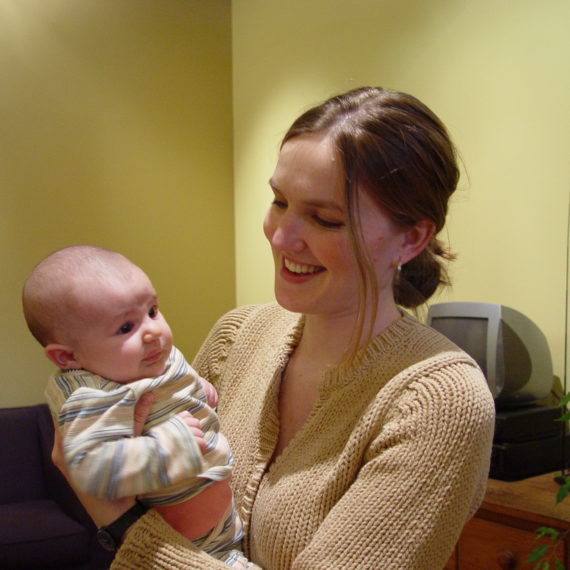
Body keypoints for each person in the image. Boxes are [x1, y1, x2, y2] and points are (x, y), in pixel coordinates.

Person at [53, 87, 496, 569]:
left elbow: (134, 511)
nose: (281, 236)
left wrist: (118, 522)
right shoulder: (238, 333)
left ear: (411, 238)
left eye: (325, 219)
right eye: (279, 201)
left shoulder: (439, 401)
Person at [23, 245, 253, 568]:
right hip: (183, 550)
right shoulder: (93, 394)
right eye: (125, 328)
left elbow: (174, 377)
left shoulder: (146, 361)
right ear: (68, 357)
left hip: (225, 537)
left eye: (153, 311)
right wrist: (168, 447)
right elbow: (91, 468)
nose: (152, 332)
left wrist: (196, 387)